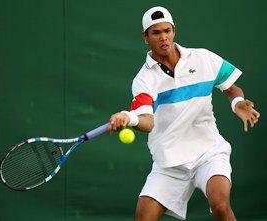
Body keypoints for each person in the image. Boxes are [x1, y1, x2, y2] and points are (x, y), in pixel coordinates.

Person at [108, 6, 260, 221]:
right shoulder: (143, 80)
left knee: (220, 204)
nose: (163, 38)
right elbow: (147, 122)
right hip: (169, 163)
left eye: (167, 31)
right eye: (156, 33)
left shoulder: (203, 58)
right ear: (145, 37)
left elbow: (229, 87)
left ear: (174, 31)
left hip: (208, 152)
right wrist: (129, 117)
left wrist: (237, 102)